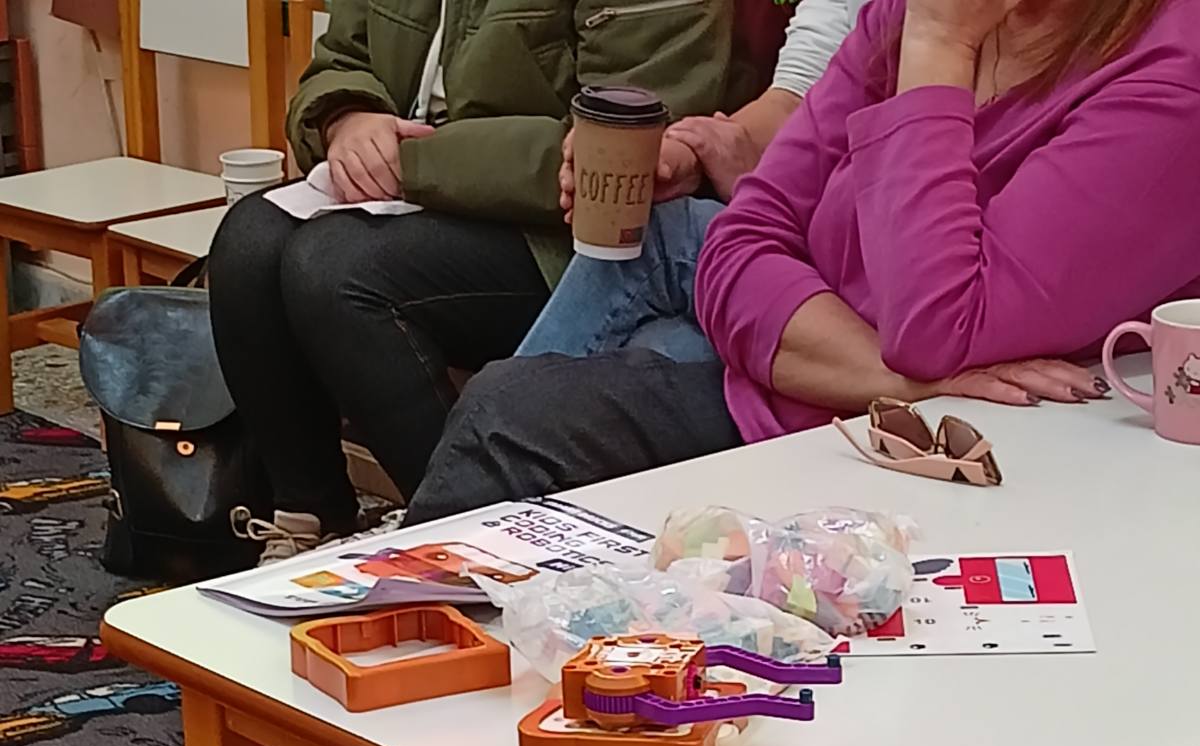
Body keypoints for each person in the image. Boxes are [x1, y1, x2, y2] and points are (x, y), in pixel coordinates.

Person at [405, 0, 1200, 524]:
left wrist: (938, 48)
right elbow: (742, 238)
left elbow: (938, 328)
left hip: (971, 470)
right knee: (518, 409)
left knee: (513, 418)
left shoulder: (1167, 73)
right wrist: (901, 383)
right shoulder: (908, 15)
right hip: (825, 403)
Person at [206, 0, 754, 560]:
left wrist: (415, 162)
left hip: (566, 232)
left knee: (335, 269)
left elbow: (624, 142)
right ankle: (310, 519)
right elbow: (342, 59)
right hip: (425, 189)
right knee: (248, 242)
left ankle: (458, 528)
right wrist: (346, 117)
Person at [519, 0, 869, 365]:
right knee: (654, 342)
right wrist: (687, 154)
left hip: (853, 275)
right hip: (807, 244)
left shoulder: (902, 28)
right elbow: (795, 97)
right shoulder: (870, 27)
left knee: (659, 262)